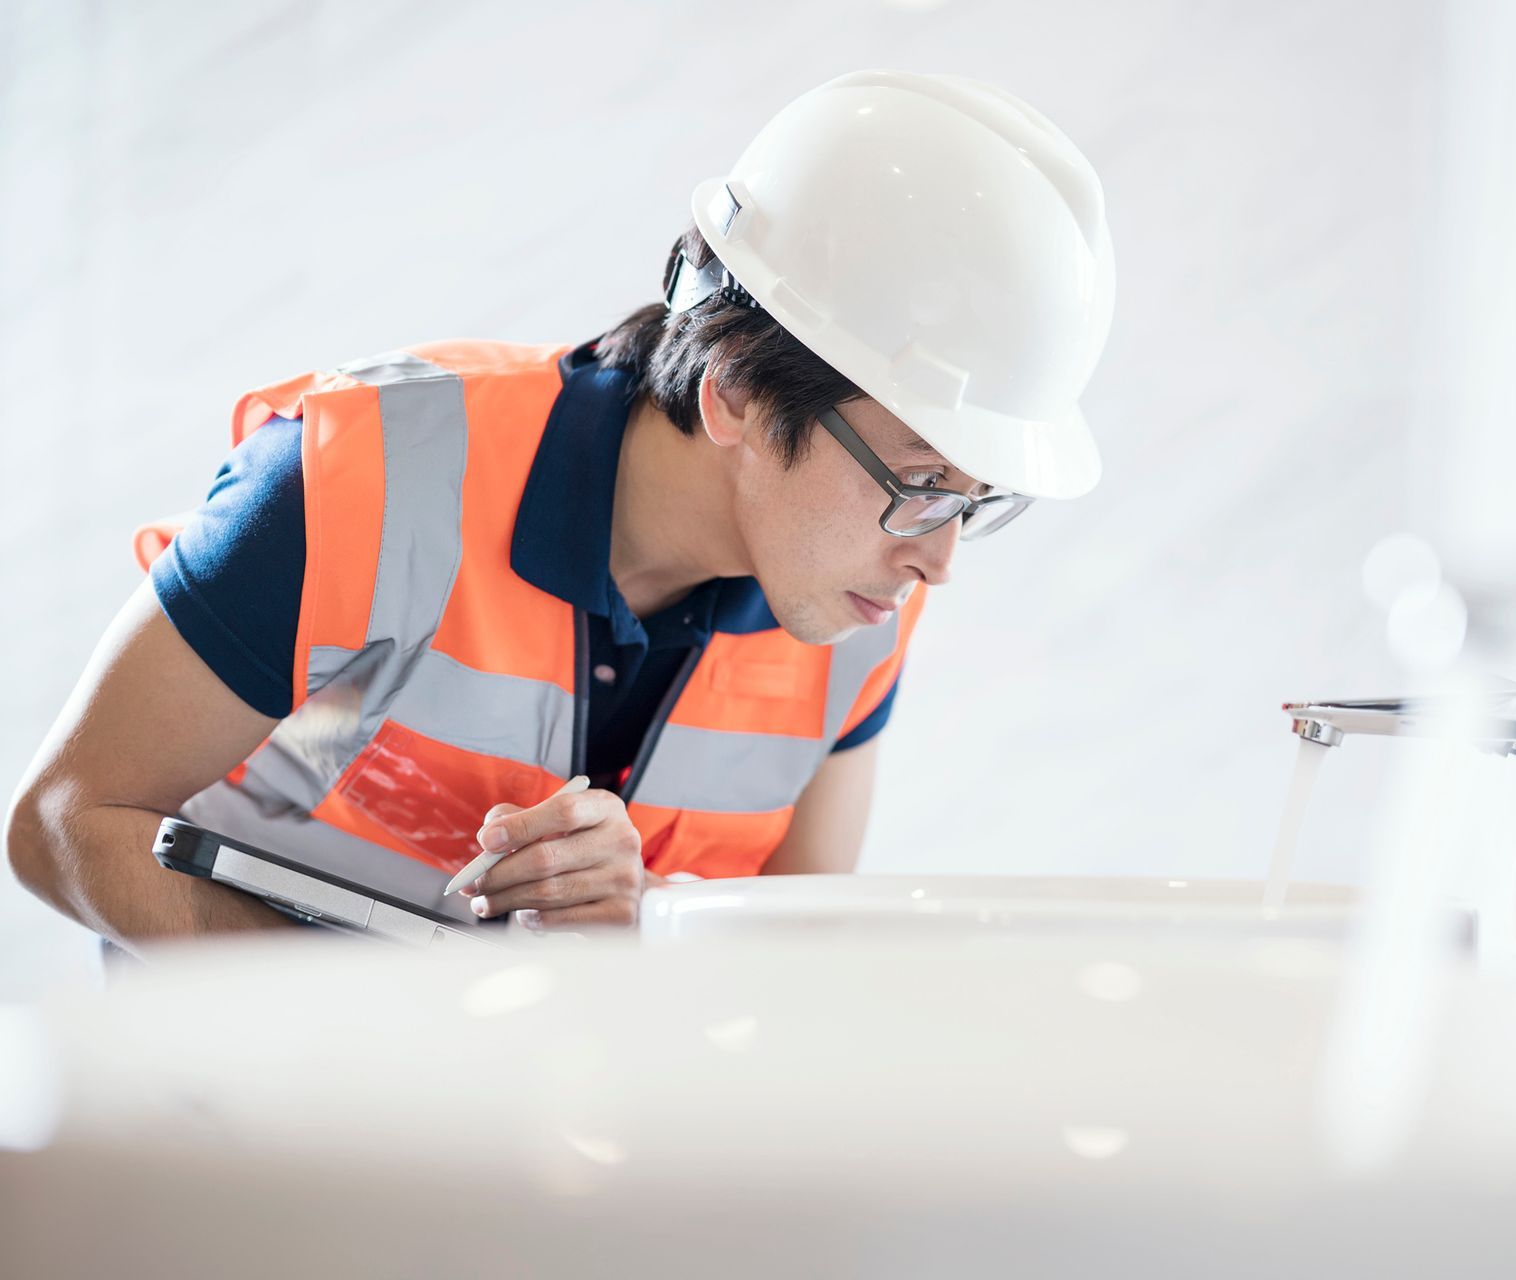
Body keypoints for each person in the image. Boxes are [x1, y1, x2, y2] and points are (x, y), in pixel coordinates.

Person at [6, 69, 1116, 951]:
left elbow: (795, 981)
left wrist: (643, 930)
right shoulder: (367, 488)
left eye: (980, 501)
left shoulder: (853, 603)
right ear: (734, 394)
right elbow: (66, 822)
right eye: (922, 483)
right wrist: (362, 1034)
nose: (941, 561)